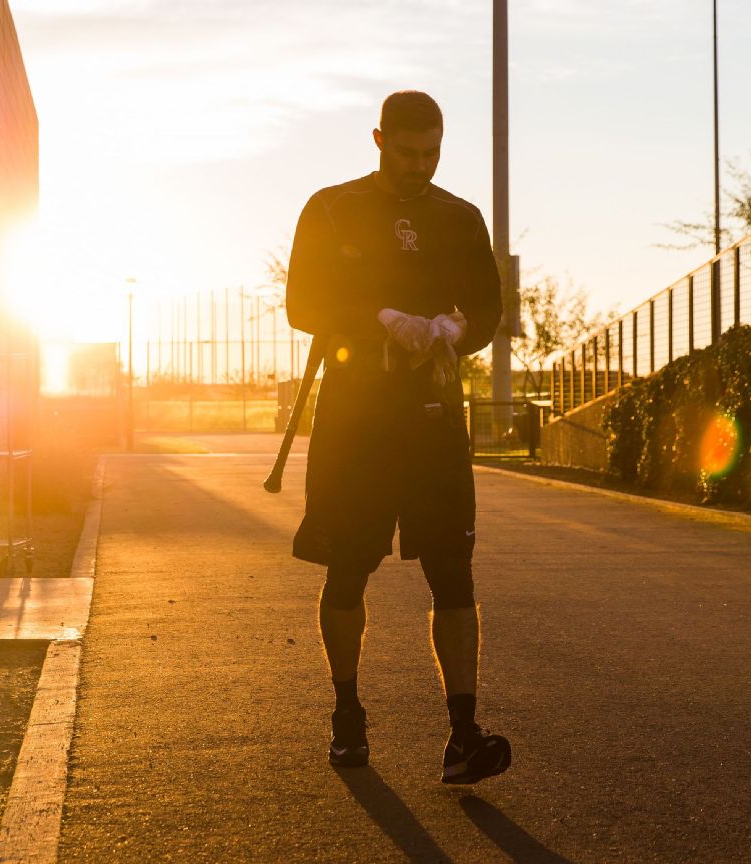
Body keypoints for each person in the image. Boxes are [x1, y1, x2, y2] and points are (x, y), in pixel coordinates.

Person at [285, 90, 511, 784]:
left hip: (436, 422)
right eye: (407, 151)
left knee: (454, 574)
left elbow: (487, 310)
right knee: (348, 569)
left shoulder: (461, 218)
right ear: (379, 140)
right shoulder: (330, 207)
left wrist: (453, 329)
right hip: (355, 424)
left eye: (432, 152)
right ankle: (348, 717)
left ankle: (464, 735)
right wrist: (378, 317)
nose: (420, 164)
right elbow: (301, 303)